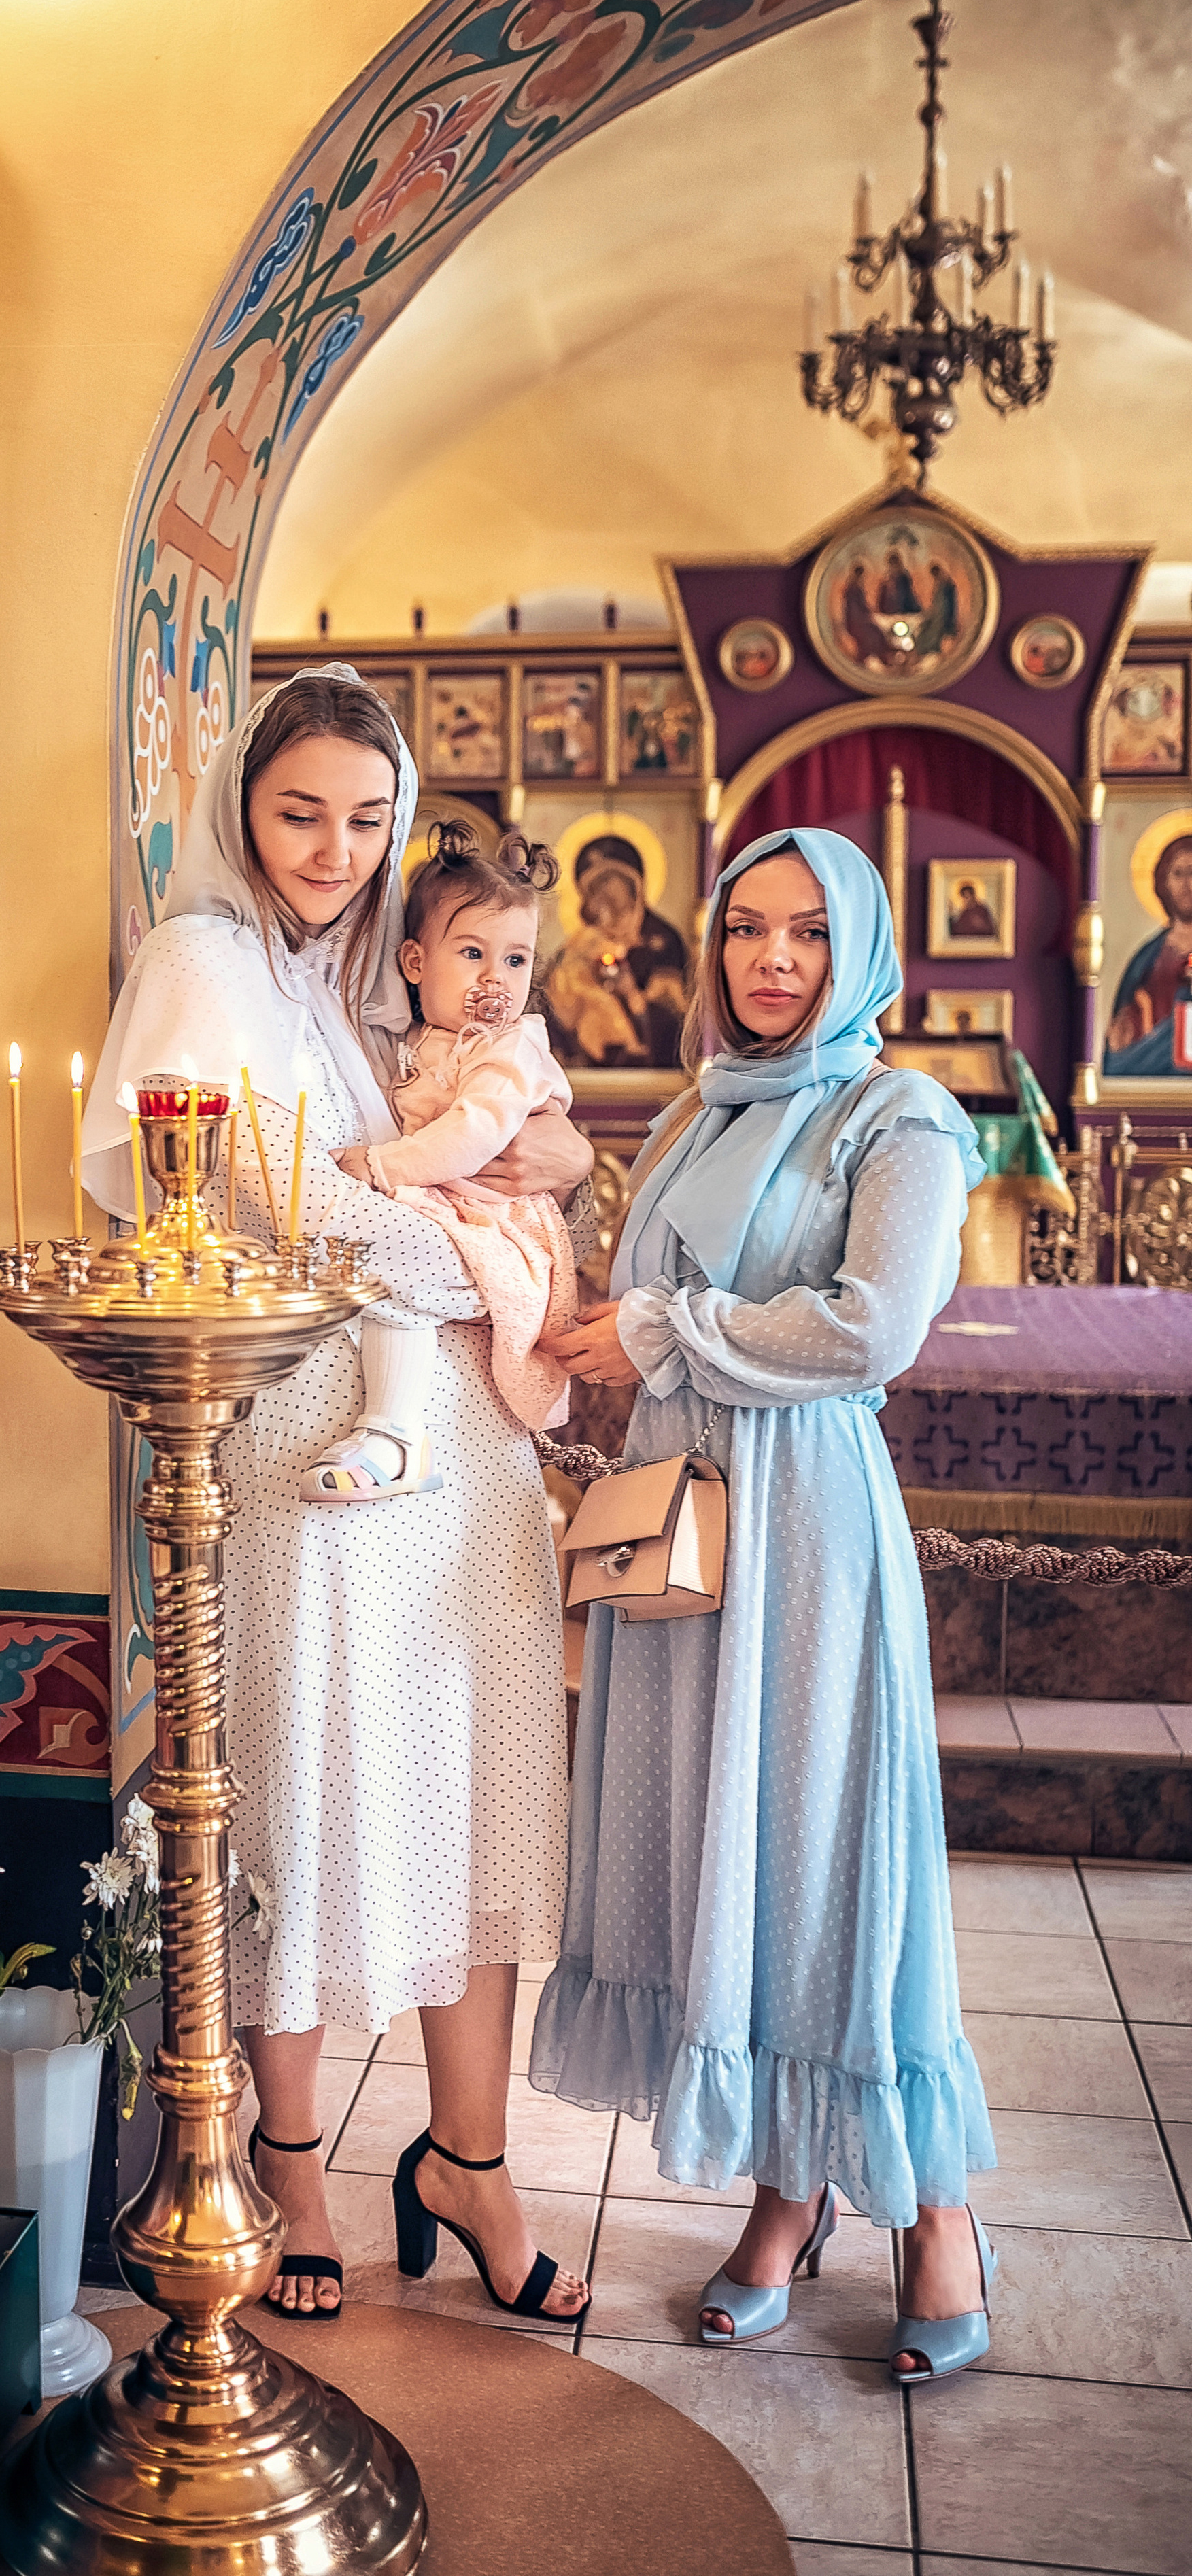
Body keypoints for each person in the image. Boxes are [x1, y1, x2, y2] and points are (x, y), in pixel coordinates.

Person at [82, 665, 592, 2322]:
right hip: (311, 1432)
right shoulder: (204, 962)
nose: (333, 846)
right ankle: (283, 2157)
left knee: (478, 1780)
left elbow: (516, 1105)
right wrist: (475, 1269)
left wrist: (554, 1171)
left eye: (365, 818)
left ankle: (470, 2153)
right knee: (300, 1790)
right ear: (242, 802)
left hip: (466, 1456)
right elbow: (278, 1193)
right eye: (300, 810)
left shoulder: (378, 962)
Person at [534, 823, 1000, 2386]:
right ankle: (782, 2198)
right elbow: (627, 1313)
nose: (770, 958)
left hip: (800, 1527)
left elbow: (869, 1329)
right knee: (720, 1858)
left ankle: (935, 2215)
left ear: (856, 947)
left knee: (825, 1859)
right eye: (744, 926)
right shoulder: (687, 1109)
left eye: (806, 930)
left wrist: (659, 1324)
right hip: (682, 1526)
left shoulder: (897, 1116)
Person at [313, 819, 579, 1503]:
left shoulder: (507, 1048)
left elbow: (476, 1133)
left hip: (498, 1215)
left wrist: (378, 1166)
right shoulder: (425, 1039)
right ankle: (393, 1427)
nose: (497, 978)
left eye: (516, 960)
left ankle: (396, 1433)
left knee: (395, 1268)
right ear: (413, 963)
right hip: (453, 1198)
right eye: (472, 953)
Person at [543, 836, 690, 1069]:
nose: (605, 893)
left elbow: (674, 1018)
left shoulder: (663, 941)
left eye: (611, 880)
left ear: (634, 886)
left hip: (648, 1075)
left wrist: (632, 996)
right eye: (596, 885)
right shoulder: (580, 943)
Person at [1106, 830, 1192, 1074]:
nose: (1188, 884)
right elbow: (1122, 1031)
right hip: (1152, 1064)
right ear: (1163, 882)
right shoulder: (1148, 957)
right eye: (1179, 874)